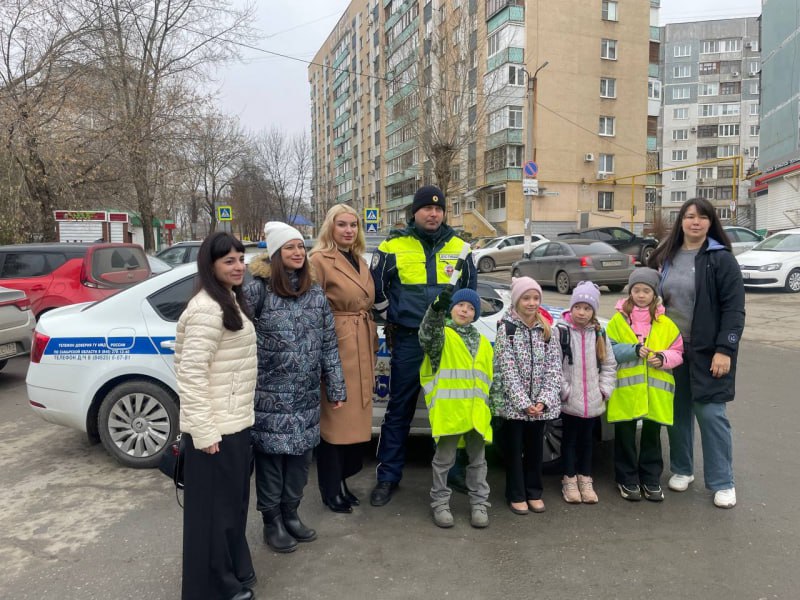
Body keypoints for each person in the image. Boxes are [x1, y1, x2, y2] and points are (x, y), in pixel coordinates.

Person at [369, 185, 478, 507]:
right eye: (426, 209)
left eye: (439, 209)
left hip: (449, 341)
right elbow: (376, 288)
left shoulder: (461, 248)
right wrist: (393, 315)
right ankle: (388, 477)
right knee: (399, 409)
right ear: (414, 212)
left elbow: (469, 293)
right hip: (408, 339)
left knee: (452, 407)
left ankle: (454, 473)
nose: (433, 214)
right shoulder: (392, 245)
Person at [244, 222, 347, 553]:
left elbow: (329, 341)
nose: (298, 253)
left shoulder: (315, 292)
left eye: (301, 247)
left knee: (301, 462)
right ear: (275, 253)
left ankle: (291, 514)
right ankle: (271, 521)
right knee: (272, 462)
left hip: (305, 396)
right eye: (289, 247)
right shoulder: (257, 290)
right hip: (269, 396)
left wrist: (336, 386)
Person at [175, 232, 257, 600]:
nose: (239, 266)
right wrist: (204, 432)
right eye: (229, 261)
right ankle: (214, 587)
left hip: (234, 422)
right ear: (211, 266)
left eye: (241, 259)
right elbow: (191, 375)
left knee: (232, 508)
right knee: (214, 515)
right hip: (214, 431)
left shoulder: (228, 301)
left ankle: (234, 571)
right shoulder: (207, 309)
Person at [648, 197, 745, 508]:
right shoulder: (667, 255)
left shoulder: (720, 259)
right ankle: (682, 468)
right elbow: (648, 295)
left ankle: (722, 481)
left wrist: (725, 349)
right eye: (689, 216)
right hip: (673, 347)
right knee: (677, 411)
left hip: (708, 349)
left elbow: (734, 309)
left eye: (702, 217)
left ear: (710, 222)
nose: (695, 222)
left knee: (710, 412)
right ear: (681, 221)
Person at [309, 204, 378, 513]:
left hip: (360, 342)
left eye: (354, 224)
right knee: (334, 421)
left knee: (354, 422)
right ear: (330, 228)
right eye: (342, 225)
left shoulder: (360, 260)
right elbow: (312, 309)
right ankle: (330, 487)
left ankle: (342, 481)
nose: (349, 230)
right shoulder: (319, 260)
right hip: (337, 346)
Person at [606, 268, 684, 502]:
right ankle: (627, 479)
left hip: (655, 393)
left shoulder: (665, 323)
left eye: (646, 290)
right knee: (625, 437)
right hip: (626, 392)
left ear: (654, 294)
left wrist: (663, 358)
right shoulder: (618, 321)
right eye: (636, 290)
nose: (641, 295)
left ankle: (651, 479)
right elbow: (607, 348)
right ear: (630, 293)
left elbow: (678, 351)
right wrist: (633, 350)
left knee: (652, 437)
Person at [418, 286, 493, 528]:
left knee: (478, 462)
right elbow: (427, 335)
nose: (465, 310)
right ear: (452, 309)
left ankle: (479, 504)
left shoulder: (483, 343)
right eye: (461, 305)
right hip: (450, 413)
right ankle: (440, 503)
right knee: (444, 461)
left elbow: (491, 379)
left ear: (476, 315)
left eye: (471, 308)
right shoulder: (444, 336)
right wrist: (435, 311)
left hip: (477, 415)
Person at [490, 277, 562, 515]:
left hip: (540, 406)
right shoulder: (506, 328)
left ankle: (534, 491)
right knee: (514, 450)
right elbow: (507, 368)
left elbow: (554, 368)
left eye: (536, 298)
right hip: (515, 406)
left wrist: (543, 401)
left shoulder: (547, 329)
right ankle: (516, 493)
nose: (531, 303)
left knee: (535, 450)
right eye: (526, 298)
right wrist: (524, 403)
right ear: (517, 300)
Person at [558, 281, 617, 504]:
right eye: (577, 307)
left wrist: (603, 390)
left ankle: (585, 478)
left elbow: (609, 365)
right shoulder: (561, 332)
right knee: (569, 441)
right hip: (570, 400)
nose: (581, 312)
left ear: (593, 311)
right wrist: (565, 392)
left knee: (587, 441)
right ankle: (569, 479)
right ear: (571, 307)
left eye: (587, 308)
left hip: (593, 400)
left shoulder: (599, 333)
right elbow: (555, 365)